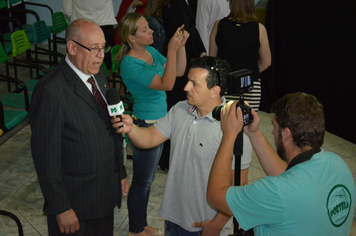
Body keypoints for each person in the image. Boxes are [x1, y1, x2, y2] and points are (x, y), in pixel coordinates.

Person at [112, 56, 252, 236]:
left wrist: (216, 225)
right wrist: (131, 128)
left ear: (214, 90)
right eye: (188, 81)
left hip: (205, 226)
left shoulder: (233, 126)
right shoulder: (180, 109)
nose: (186, 87)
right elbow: (150, 137)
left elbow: (239, 186)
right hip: (174, 219)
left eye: (194, 84)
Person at [29, 19, 129, 236]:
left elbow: (111, 129)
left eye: (104, 48)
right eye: (94, 49)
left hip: (104, 195)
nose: (101, 55)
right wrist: (61, 207)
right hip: (76, 205)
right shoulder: (50, 91)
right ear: (72, 48)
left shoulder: (99, 74)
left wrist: (119, 173)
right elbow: (46, 158)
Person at [207, 92, 356, 235]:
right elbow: (290, 176)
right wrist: (253, 132)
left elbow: (215, 195)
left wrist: (229, 134)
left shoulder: (275, 192)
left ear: (286, 134)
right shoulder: (338, 165)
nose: (272, 132)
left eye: (274, 127)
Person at [115, 12, 188, 236]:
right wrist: (172, 50)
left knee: (147, 179)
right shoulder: (130, 64)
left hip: (159, 120)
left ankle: (141, 224)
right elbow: (167, 84)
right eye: (145, 30)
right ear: (132, 38)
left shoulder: (149, 51)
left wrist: (181, 46)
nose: (151, 32)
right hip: (146, 124)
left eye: (149, 28)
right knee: (142, 182)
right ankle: (136, 230)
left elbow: (179, 71)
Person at [209, 0, 271, 112]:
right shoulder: (260, 29)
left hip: (224, 84)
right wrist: (250, 73)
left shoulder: (219, 25)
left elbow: (212, 60)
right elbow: (266, 61)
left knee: (222, 122)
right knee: (247, 124)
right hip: (250, 85)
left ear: (232, 4)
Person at [62, 0, 117, 80]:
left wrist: (77, 21)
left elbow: (67, 10)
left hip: (80, 24)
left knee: (78, 59)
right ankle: (110, 82)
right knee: (107, 59)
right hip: (105, 22)